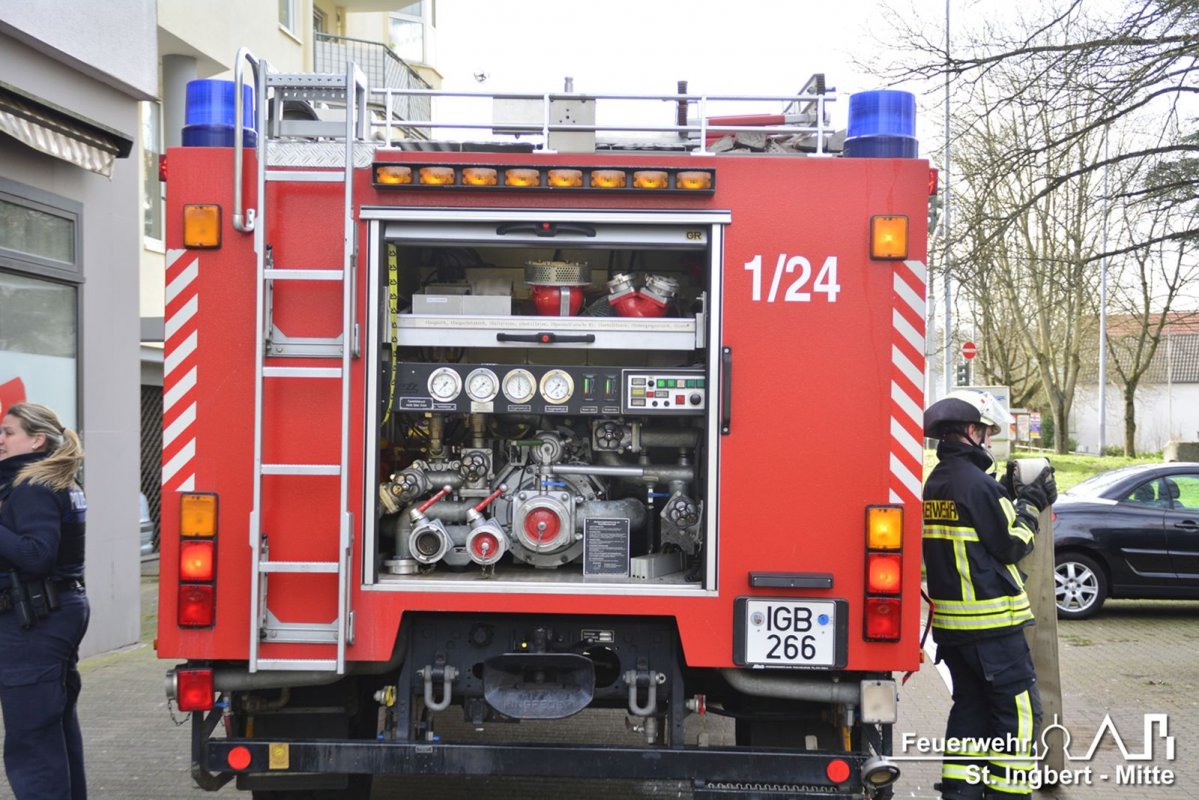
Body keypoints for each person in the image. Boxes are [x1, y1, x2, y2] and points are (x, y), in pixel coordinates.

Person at [921, 390, 1056, 800]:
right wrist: (1031, 503)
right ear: (970, 430)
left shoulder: (938, 481)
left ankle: (960, 794)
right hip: (993, 630)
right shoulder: (978, 487)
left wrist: (1001, 492)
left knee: (971, 714)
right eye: (986, 431)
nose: (989, 441)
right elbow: (1012, 544)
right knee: (1019, 718)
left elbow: (974, 532)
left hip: (954, 632)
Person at [0, 403, 89, 800]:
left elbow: (38, 555)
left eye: (8, 432)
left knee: (32, 739)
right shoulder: (53, 480)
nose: (0, 440)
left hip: (35, 621)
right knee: (53, 729)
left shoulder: (33, 487)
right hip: (54, 613)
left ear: (36, 440)